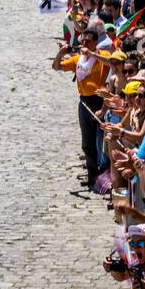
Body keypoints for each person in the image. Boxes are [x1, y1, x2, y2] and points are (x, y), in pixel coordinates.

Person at [53, 25, 111, 189]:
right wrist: (61, 54)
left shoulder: (102, 55)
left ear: (95, 43)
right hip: (85, 102)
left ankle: (104, 174)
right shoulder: (78, 59)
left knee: (102, 140)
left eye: (88, 41)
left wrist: (92, 54)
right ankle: (92, 174)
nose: (84, 43)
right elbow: (57, 67)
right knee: (87, 140)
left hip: (100, 101)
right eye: (82, 40)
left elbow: (111, 62)